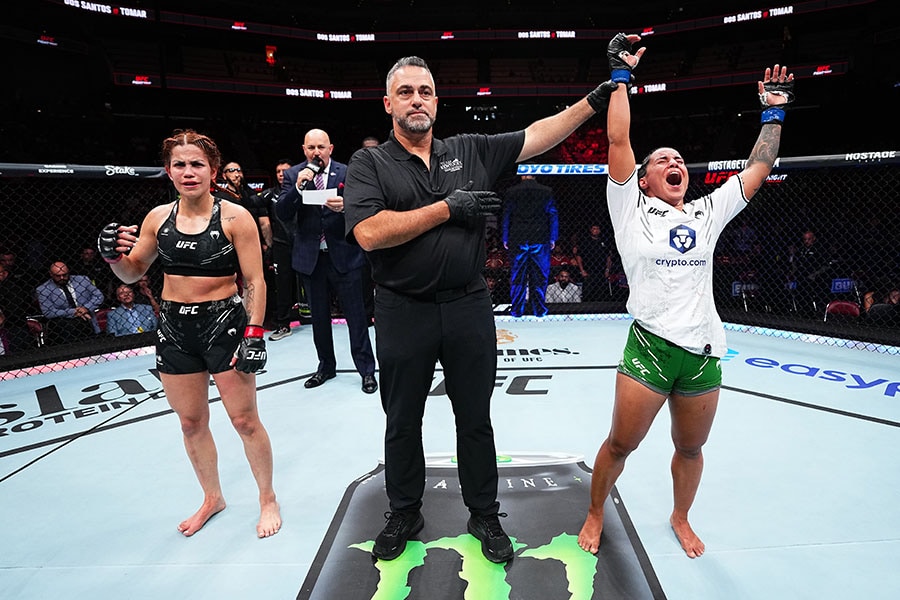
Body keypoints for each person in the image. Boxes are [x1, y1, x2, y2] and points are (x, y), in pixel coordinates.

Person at [343, 55, 621, 564]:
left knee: (475, 417)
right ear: (388, 104)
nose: (416, 100)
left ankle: (484, 512)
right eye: (405, 93)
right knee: (402, 418)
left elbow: (537, 134)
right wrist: (449, 208)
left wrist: (591, 104)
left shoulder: (469, 150)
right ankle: (404, 509)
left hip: (468, 305)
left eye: (424, 91)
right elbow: (368, 232)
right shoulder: (370, 164)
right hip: (403, 308)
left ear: (436, 100)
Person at [576, 34, 793, 559]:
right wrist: (621, 77)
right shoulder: (631, 210)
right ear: (646, 181)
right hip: (650, 346)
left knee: (691, 447)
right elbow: (620, 143)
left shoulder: (706, 213)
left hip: (702, 352)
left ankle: (680, 516)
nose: (674, 162)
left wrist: (773, 115)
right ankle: (594, 511)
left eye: (679, 158)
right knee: (621, 444)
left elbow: (757, 170)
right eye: (662, 160)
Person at [96, 129, 281, 538]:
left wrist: (253, 333)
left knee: (245, 420)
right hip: (176, 328)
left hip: (224, 324)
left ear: (212, 170)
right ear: (168, 171)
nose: (188, 171)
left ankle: (267, 498)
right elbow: (132, 271)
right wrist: (112, 256)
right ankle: (212, 497)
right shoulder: (157, 218)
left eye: (197, 164)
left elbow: (254, 280)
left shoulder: (236, 217)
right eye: (179, 164)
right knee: (190, 422)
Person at [275, 128, 377, 394]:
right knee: (319, 319)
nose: (316, 152)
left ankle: (366, 370)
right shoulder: (293, 174)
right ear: (304, 150)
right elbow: (283, 212)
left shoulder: (347, 172)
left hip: (345, 255)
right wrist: (298, 188)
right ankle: (326, 367)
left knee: (357, 316)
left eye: (321, 147)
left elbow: (367, 204)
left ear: (330, 148)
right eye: (311, 148)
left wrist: (346, 205)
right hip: (311, 259)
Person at [501, 174, 559, 317]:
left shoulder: (512, 191)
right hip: (540, 237)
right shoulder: (546, 191)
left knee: (517, 275)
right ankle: (539, 310)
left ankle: (516, 311)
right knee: (539, 275)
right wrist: (553, 237)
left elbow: (506, 215)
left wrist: (505, 237)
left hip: (518, 237)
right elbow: (552, 214)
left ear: (523, 175)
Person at [259, 158, 300, 341]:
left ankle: (315, 319)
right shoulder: (270, 195)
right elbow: (249, 201)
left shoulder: (303, 191)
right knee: (282, 285)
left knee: (312, 283)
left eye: (286, 171)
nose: (282, 174)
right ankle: (283, 324)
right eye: (278, 171)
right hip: (281, 244)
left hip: (303, 243)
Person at [35, 261, 105, 344]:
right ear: (51, 274)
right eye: (58, 276)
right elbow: (48, 312)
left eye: (65, 275)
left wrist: (86, 308)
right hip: (63, 328)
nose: (62, 278)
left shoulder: (83, 280)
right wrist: (74, 311)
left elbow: (99, 296)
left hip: (88, 321)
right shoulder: (43, 290)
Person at [573, 223, 612, 302]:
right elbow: (579, 256)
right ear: (590, 230)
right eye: (594, 228)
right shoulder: (585, 242)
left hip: (601, 272)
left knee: (601, 294)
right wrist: (582, 270)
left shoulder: (604, 242)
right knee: (588, 293)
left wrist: (607, 270)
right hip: (588, 271)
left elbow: (609, 257)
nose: (596, 230)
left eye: (597, 229)